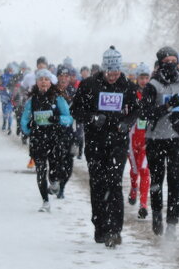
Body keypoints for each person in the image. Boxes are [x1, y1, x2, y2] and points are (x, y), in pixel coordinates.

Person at [71, 46, 139, 248]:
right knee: (98, 184)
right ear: (103, 69)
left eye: (116, 73)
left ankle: (115, 230)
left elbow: (136, 109)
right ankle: (100, 226)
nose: (112, 77)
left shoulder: (127, 85)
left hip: (117, 142)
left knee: (115, 184)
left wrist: (127, 123)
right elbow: (76, 110)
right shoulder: (89, 85)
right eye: (110, 73)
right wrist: (92, 118)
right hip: (95, 142)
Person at [140, 46, 179, 237]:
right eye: (166, 61)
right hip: (155, 139)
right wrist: (165, 107)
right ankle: (156, 214)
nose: (170, 65)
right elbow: (145, 112)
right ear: (160, 63)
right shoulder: (152, 85)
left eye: (174, 61)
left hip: (176, 139)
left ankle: (172, 222)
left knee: (175, 181)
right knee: (157, 180)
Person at [19, 69, 74, 212]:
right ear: (36, 83)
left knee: (55, 169)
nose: (43, 82)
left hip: (55, 139)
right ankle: (45, 202)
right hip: (38, 139)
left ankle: (55, 181)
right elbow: (24, 119)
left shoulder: (58, 98)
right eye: (40, 79)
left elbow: (69, 118)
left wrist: (57, 119)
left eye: (46, 79)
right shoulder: (32, 100)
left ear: (51, 82)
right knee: (40, 171)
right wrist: (28, 130)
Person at [127, 65, 152, 220]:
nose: (144, 81)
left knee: (145, 171)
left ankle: (143, 204)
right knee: (135, 170)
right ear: (137, 78)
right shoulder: (131, 93)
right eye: (141, 78)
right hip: (131, 137)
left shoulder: (152, 93)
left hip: (146, 137)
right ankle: (133, 187)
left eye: (146, 78)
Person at [53, 66, 80, 198]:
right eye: (61, 76)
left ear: (70, 78)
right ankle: (55, 181)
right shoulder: (52, 92)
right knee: (56, 160)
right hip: (55, 131)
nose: (63, 78)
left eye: (66, 76)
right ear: (57, 77)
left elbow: (79, 112)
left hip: (71, 132)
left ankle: (62, 187)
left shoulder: (74, 92)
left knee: (68, 162)